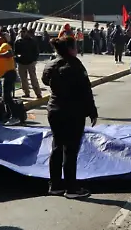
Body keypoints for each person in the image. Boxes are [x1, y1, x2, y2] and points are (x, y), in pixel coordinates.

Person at [41, 36, 97, 198]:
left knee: (57, 146)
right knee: (70, 149)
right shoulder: (76, 65)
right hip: (73, 111)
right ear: (71, 49)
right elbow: (86, 90)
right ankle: (72, 188)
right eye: (76, 46)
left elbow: (45, 81)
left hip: (55, 110)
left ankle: (55, 185)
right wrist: (92, 111)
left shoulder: (51, 64)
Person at [0, 33, 23, 126]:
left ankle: (15, 117)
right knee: (5, 97)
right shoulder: (2, 46)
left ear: (4, 39)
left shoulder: (5, 45)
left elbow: (10, 54)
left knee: (7, 97)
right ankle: (8, 115)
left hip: (9, 74)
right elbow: (3, 66)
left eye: (0, 37)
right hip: (6, 74)